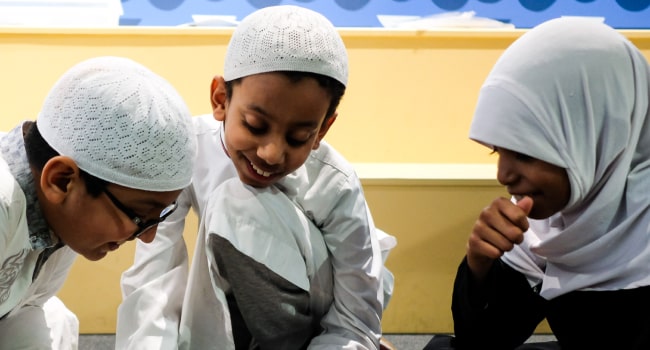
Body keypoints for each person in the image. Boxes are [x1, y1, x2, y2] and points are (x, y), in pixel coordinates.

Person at [116, 5, 397, 350]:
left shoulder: (336, 181)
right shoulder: (187, 149)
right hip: (237, 292)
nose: (271, 153)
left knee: (234, 202)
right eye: (255, 126)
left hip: (321, 311)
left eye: (298, 138)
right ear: (221, 100)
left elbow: (355, 315)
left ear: (323, 128)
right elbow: (155, 272)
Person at [424, 17, 650, 350]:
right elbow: (485, 341)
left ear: (596, 134)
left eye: (526, 154)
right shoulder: (547, 225)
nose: (503, 175)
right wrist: (480, 266)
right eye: (497, 152)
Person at [0, 56, 197, 349]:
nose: (148, 236)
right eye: (139, 215)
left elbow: (22, 312)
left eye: (160, 217)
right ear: (62, 180)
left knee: (56, 320)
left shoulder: (60, 220)